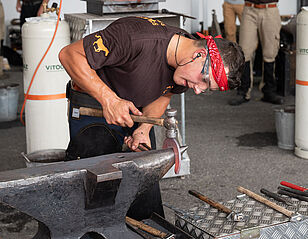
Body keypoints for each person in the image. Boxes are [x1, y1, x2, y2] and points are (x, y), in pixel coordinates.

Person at [59, 16, 245, 220]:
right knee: (93, 197)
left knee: (144, 193)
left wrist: (143, 129)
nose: (199, 90)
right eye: (205, 81)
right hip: (93, 105)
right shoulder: (135, 37)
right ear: (200, 55)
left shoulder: (184, 67)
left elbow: (165, 93)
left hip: (136, 111)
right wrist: (109, 100)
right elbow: (69, 55)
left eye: (207, 89)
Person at [228, 0, 283, 105]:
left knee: (270, 53)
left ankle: (269, 92)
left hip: (270, 9)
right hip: (249, 9)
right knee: (244, 51)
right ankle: (243, 92)